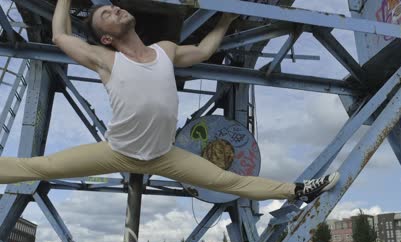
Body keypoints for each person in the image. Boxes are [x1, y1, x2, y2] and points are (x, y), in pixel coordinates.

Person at [0, 1, 340, 203]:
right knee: (38, 167)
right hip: (117, 150)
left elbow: (205, 51)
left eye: (114, 7)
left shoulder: (165, 50)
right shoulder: (104, 58)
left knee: (230, 183)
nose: (115, 9)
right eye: (107, 13)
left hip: (165, 155)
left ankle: (300, 190)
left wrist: (223, 21)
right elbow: (60, 35)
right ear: (105, 37)